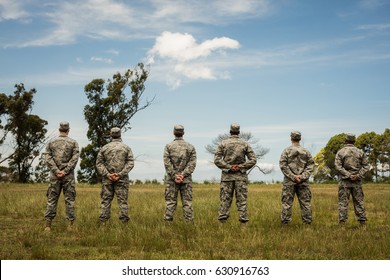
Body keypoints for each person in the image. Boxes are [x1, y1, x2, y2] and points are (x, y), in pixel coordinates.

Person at [214, 123, 257, 224]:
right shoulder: (245, 144)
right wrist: (241, 167)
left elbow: (216, 159)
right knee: (242, 201)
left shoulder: (223, 143)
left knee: (225, 200)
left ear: (230, 131)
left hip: (226, 177)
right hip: (240, 177)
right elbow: (253, 159)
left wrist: (229, 167)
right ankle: (243, 225)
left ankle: (222, 224)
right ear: (239, 132)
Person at [44, 121, 80, 231]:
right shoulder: (73, 143)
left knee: (52, 199)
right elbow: (75, 159)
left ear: (59, 129)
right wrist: (65, 171)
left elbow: (47, 158)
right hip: (68, 176)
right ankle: (71, 225)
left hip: (54, 176)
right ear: (68, 130)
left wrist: (56, 171)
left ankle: (48, 226)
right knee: (70, 200)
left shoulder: (51, 142)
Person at [96, 127, 134, 224]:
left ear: (111, 134)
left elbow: (99, 163)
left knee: (105, 201)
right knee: (123, 202)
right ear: (120, 134)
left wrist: (108, 174)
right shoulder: (126, 148)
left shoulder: (104, 148)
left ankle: (103, 224)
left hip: (107, 179)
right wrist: (120, 174)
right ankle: (124, 224)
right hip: (122, 179)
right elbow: (130, 163)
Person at [279, 131, 314, 225]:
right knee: (305, 203)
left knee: (287, 203)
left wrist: (293, 177)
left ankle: (285, 224)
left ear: (291, 138)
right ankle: (307, 224)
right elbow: (310, 165)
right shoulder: (306, 152)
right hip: (303, 182)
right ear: (300, 138)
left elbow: (283, 165)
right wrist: (302, 177)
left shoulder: (286, 151)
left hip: (289, 182)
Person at [163, 125, 197, 222]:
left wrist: (175, 175)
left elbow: (167, 163)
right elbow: (192, 163)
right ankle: (189, 224)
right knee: (187, 203)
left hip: (171, 180)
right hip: (186, 180)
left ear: (174, 133)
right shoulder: (190, 147)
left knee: (170, 202)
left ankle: (168, 224)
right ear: (183, 133)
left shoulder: (168, 146)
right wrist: (183, 175)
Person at [335, 133, 370, 227]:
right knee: (359, 201)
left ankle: (342, 224)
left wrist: (348, 175)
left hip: (344, 181)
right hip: (357, 182)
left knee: (343, 202)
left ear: (345, 140)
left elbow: (338, 166)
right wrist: (357, 175)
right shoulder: (360, 152)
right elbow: (366, 166)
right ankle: (363, 223)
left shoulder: (341, 152)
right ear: (354, 141)